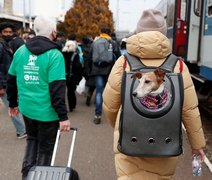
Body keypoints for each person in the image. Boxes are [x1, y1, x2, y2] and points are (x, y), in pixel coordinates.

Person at [103, 9, 206, 180]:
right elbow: (189, 110)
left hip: (130, 141)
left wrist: (122, 125)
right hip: (165, 142)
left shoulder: (123, 62)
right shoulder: (178, 66)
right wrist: (197, 145)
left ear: (138, 32)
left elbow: (109, 105)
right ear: (164, 34)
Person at [6, 16, 71, 179]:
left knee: (32, 140)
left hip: (27, 109)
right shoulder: (55, 55)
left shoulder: (21, 51)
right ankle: (41, 177)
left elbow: (11, 80)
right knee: (45, 148)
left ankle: (26, 175)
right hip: (47, 113)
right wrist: (63, 117)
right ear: (54, 33)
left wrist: (12, 103)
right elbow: (57, 90)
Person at [0, 22, 26, 139]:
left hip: (8, 81)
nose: (8, 34)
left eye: (10, 32)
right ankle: (21, 131)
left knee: (14, 105)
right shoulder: (1, 46)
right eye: (5, 32)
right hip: (3, 83)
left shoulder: (6, 45)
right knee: (12, 106)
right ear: (1, 33)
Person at [90, 27, 116, 124]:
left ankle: (98, 115)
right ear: (109, 32)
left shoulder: (95, 42)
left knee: (99, 92)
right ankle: (112, 114)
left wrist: (89, 71)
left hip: (97, 70)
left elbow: (90, 57)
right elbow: (117, 56)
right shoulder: (112, 43)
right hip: (109, 70)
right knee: (111, 92)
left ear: (101, 32)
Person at [62, 34, 83, 112]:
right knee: (71, 91)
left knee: (63, 92)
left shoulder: (62, 54)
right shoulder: (75, 55)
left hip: (63, 75)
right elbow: (78, 67)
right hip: (72, 76)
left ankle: (63, 106)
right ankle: (72, 106)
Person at [81, 36, 95, 106]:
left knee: (89, 84)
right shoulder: (92, 47)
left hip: (87, 67)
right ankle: (96, 99)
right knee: (96, 85)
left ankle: (88, 94)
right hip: (94, 67)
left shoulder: (82, 48)